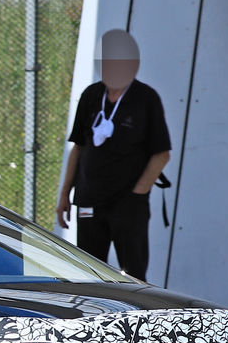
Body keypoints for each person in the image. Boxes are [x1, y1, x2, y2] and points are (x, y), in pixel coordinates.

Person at [55, 28, 171, 281]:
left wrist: (136, 194)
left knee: (133, 274)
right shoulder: (91, 95)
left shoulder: (146, 99)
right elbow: (78, 147)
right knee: (89, 272)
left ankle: (136, 317)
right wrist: (65, 194)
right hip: (89, 200)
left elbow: (161, 154)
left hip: (127, 205)